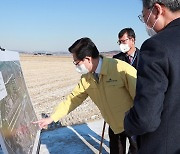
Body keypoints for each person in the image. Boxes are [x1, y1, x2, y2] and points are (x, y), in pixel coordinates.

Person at [33, 37, 137, 153]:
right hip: (114, 126)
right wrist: (52, 118)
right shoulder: (86, 78)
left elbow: (140, 98)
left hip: (133, 124)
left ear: (88, 59)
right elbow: (72, 99)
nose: (76, 66)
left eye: (77, 63)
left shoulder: (121, 69)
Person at [124, 1, 180, 154]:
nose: (146, 22)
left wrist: (128, 120)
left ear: (157, 10)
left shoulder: (157, 46)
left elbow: (146, 119)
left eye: (144, 16)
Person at [111, 28, 140, 154]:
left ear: (132, 40)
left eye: (123, 41)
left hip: (137, 106)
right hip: (119, 108)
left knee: (136, 143)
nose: (121, 45)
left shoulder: (145, 57)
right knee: (117, 142)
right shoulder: (115, 60)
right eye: (119, 42)